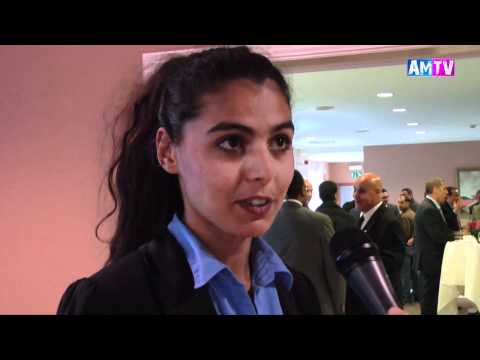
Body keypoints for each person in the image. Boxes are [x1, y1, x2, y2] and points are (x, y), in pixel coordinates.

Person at [56, 46, 323, 315]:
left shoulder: (297, 292)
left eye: (280, 142)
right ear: (167, 151)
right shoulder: (108, 301)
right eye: (231, 142)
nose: (264, 171)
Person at [264, 170, 344, 314]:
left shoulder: (265, 222)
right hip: (318, 303)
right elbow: (333, 270)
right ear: (302, 190)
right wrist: (339, 307)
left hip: (279, 304)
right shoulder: (320, 221)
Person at [345, 173, 406, 314]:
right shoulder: (355, 216)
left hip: (381, 298)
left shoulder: (390, 220)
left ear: (378, 192)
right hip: (359, 297)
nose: (355, 195)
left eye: (361, 191)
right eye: (354, 190)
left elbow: (395, 260)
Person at [414, 177, 453, 315]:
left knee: (432, 297)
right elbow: (438, 236)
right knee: (430, 299)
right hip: (431, 262)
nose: (446, 193)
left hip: (431, 261)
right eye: (443, 189)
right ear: (435, 190)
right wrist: (456, 237)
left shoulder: (430, 206)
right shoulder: (428, 209)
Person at [397, 195, 418, 304]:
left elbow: (404, 234)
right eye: (398, 202)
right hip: (413, 249)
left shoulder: (405, 216)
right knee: (413, 274)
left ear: (407, 203)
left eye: (401, 203)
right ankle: (413, 297)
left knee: (405, 275)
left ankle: (405, 298)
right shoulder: (413, 214)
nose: (399, 205)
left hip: (406, 249)